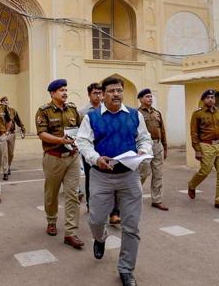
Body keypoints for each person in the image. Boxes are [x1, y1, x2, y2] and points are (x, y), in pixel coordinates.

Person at [76, 76, 152, 286]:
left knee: (131, 226)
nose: (116, 94)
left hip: (129, 176)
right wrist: (95, 158)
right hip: (101, 177)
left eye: (119, 90)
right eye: (111, 91)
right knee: (96, 220)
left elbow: (144, 138)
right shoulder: (91, 118)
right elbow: (82, 141)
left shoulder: (135, 115)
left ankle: (126, 269)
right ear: (103, 94)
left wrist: (144, 150)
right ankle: (100, 238)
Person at [35, 79, 85, 249]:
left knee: (73, 194)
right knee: (52, 193)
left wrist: (80, 141)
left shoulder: (72, 109)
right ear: (52, 93)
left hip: (72, 157)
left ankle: (71, 233)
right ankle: (51, 220)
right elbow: (41, 134)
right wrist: (59, 140)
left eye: (65, 89)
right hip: (53, 157)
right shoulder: (44, 111)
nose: (64, 92)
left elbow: (80, 128)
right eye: (61, 90)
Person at [79, 82, 120, 222]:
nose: (98, 96)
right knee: (91, 180)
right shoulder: (83, 112)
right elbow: (80, 136)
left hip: (108, 152)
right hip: (90, 154)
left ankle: (114, 212)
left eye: (100, 93)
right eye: (95, 93)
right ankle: (92, 206)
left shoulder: (109, 110)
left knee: (113, 179)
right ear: (89, 95)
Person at [187, 89, 219, 212]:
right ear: (203, 100)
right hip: (205, 145)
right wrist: (197, 149)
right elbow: (194, 133)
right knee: (205, 171)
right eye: (208, 98)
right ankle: (192, 185)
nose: (211, 99)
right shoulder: (197, 114)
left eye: (213, 97)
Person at [137, 88, 169, 211]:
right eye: (147, 97)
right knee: (143, 172)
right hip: (143, 146)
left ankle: (157, 200)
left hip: (157, 145)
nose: (150, 99)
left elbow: (163, 130)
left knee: (158, 173)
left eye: (151, 96)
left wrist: (165, 147)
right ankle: (133, 195)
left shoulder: (157, 113)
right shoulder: (137, 113)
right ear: (140, 99)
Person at [0, 96, 25, 181]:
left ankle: (8, 166)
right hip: (3, 134)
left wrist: (22, 128)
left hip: (11, 134)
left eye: (6, 100)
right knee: (4, 154)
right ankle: (5, 172)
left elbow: (18, 120)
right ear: (1, 102)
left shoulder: (13, 110)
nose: (5, 102)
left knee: (11, 154)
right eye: (3, 101)